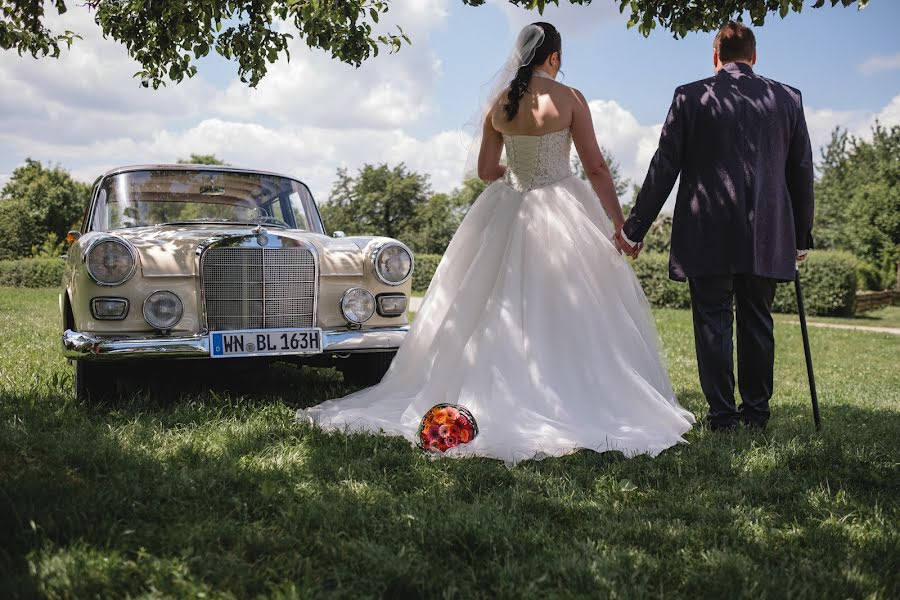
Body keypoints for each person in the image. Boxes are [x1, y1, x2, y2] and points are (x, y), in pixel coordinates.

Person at [297, 22, 694, 463]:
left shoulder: (499, 103)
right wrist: (619, 226)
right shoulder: (570, 99)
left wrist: (518, 174)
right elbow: (597, 168)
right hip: (561, 206)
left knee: (484, 302)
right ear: (555, 57)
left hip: (507, 205)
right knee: (575, 304)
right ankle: (567, 391)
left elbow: (487, 169)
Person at [616, 21, 814, 431]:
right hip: (766, 233)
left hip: (706, 231)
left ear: (715, 57)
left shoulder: (690, 97)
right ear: (754, 56)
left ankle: (723, 417)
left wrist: (634, 228)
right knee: (758, 319)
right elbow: (801, 172)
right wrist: (801, 235)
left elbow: (664, 166)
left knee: (713, 321)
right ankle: (756, 415)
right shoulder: (788, 98)